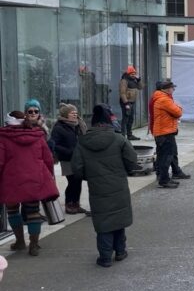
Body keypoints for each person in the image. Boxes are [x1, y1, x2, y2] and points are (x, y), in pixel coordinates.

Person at [71, 105, 138, 267]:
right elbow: (132, 160)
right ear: (108, 122)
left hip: (97, 188)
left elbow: (77, 169)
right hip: (118, 186)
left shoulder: (82, 142)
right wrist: (124, 171)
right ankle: (120, 251)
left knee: (104, 222)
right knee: (118, 219)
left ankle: (105, 257)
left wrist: (91, 176)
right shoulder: (119, 138)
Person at [0, 109, 59, 256]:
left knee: (13, 210)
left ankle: (20, 242)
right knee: (33, 212)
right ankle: (34, 244)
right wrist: (50, 176)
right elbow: (48, 159)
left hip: (11, 180)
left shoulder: (3, 137)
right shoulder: (37, 135)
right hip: (35, 179)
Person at [50, 103, 90, 215]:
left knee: (78, 181)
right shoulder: (59, 127)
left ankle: (76, 204)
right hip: (67, 159)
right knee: (72, 181)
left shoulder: (78, 125)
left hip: (79, 158)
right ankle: (69, 204)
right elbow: (54, 143)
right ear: (65, 114)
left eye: (76, 113)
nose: (75, 115)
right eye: (72, 113)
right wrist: (68, 151)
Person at [149, 79, 187, 188]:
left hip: (163, 132)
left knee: (163, 156)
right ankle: (164, 180)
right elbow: (178, 112)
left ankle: (162, 176)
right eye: (172, 88)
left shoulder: (160, 97)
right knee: (166, 157)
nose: (173, 89)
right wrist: (179, 107)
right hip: (165, 132)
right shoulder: (164, 99)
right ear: (165, 89)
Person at [118, 65, 142, 140]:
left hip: (132, 102)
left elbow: (140, 87)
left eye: (134, 74)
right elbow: (122, 93)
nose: (134, 75)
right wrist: (126, 103)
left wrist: (139, 81)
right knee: (125, 119)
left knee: (131, 119)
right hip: (126, 102)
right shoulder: (124, 80)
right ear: (128, 74)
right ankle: (123, 135)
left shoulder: (134, 80)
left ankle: (129, 135)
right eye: (132, 74)